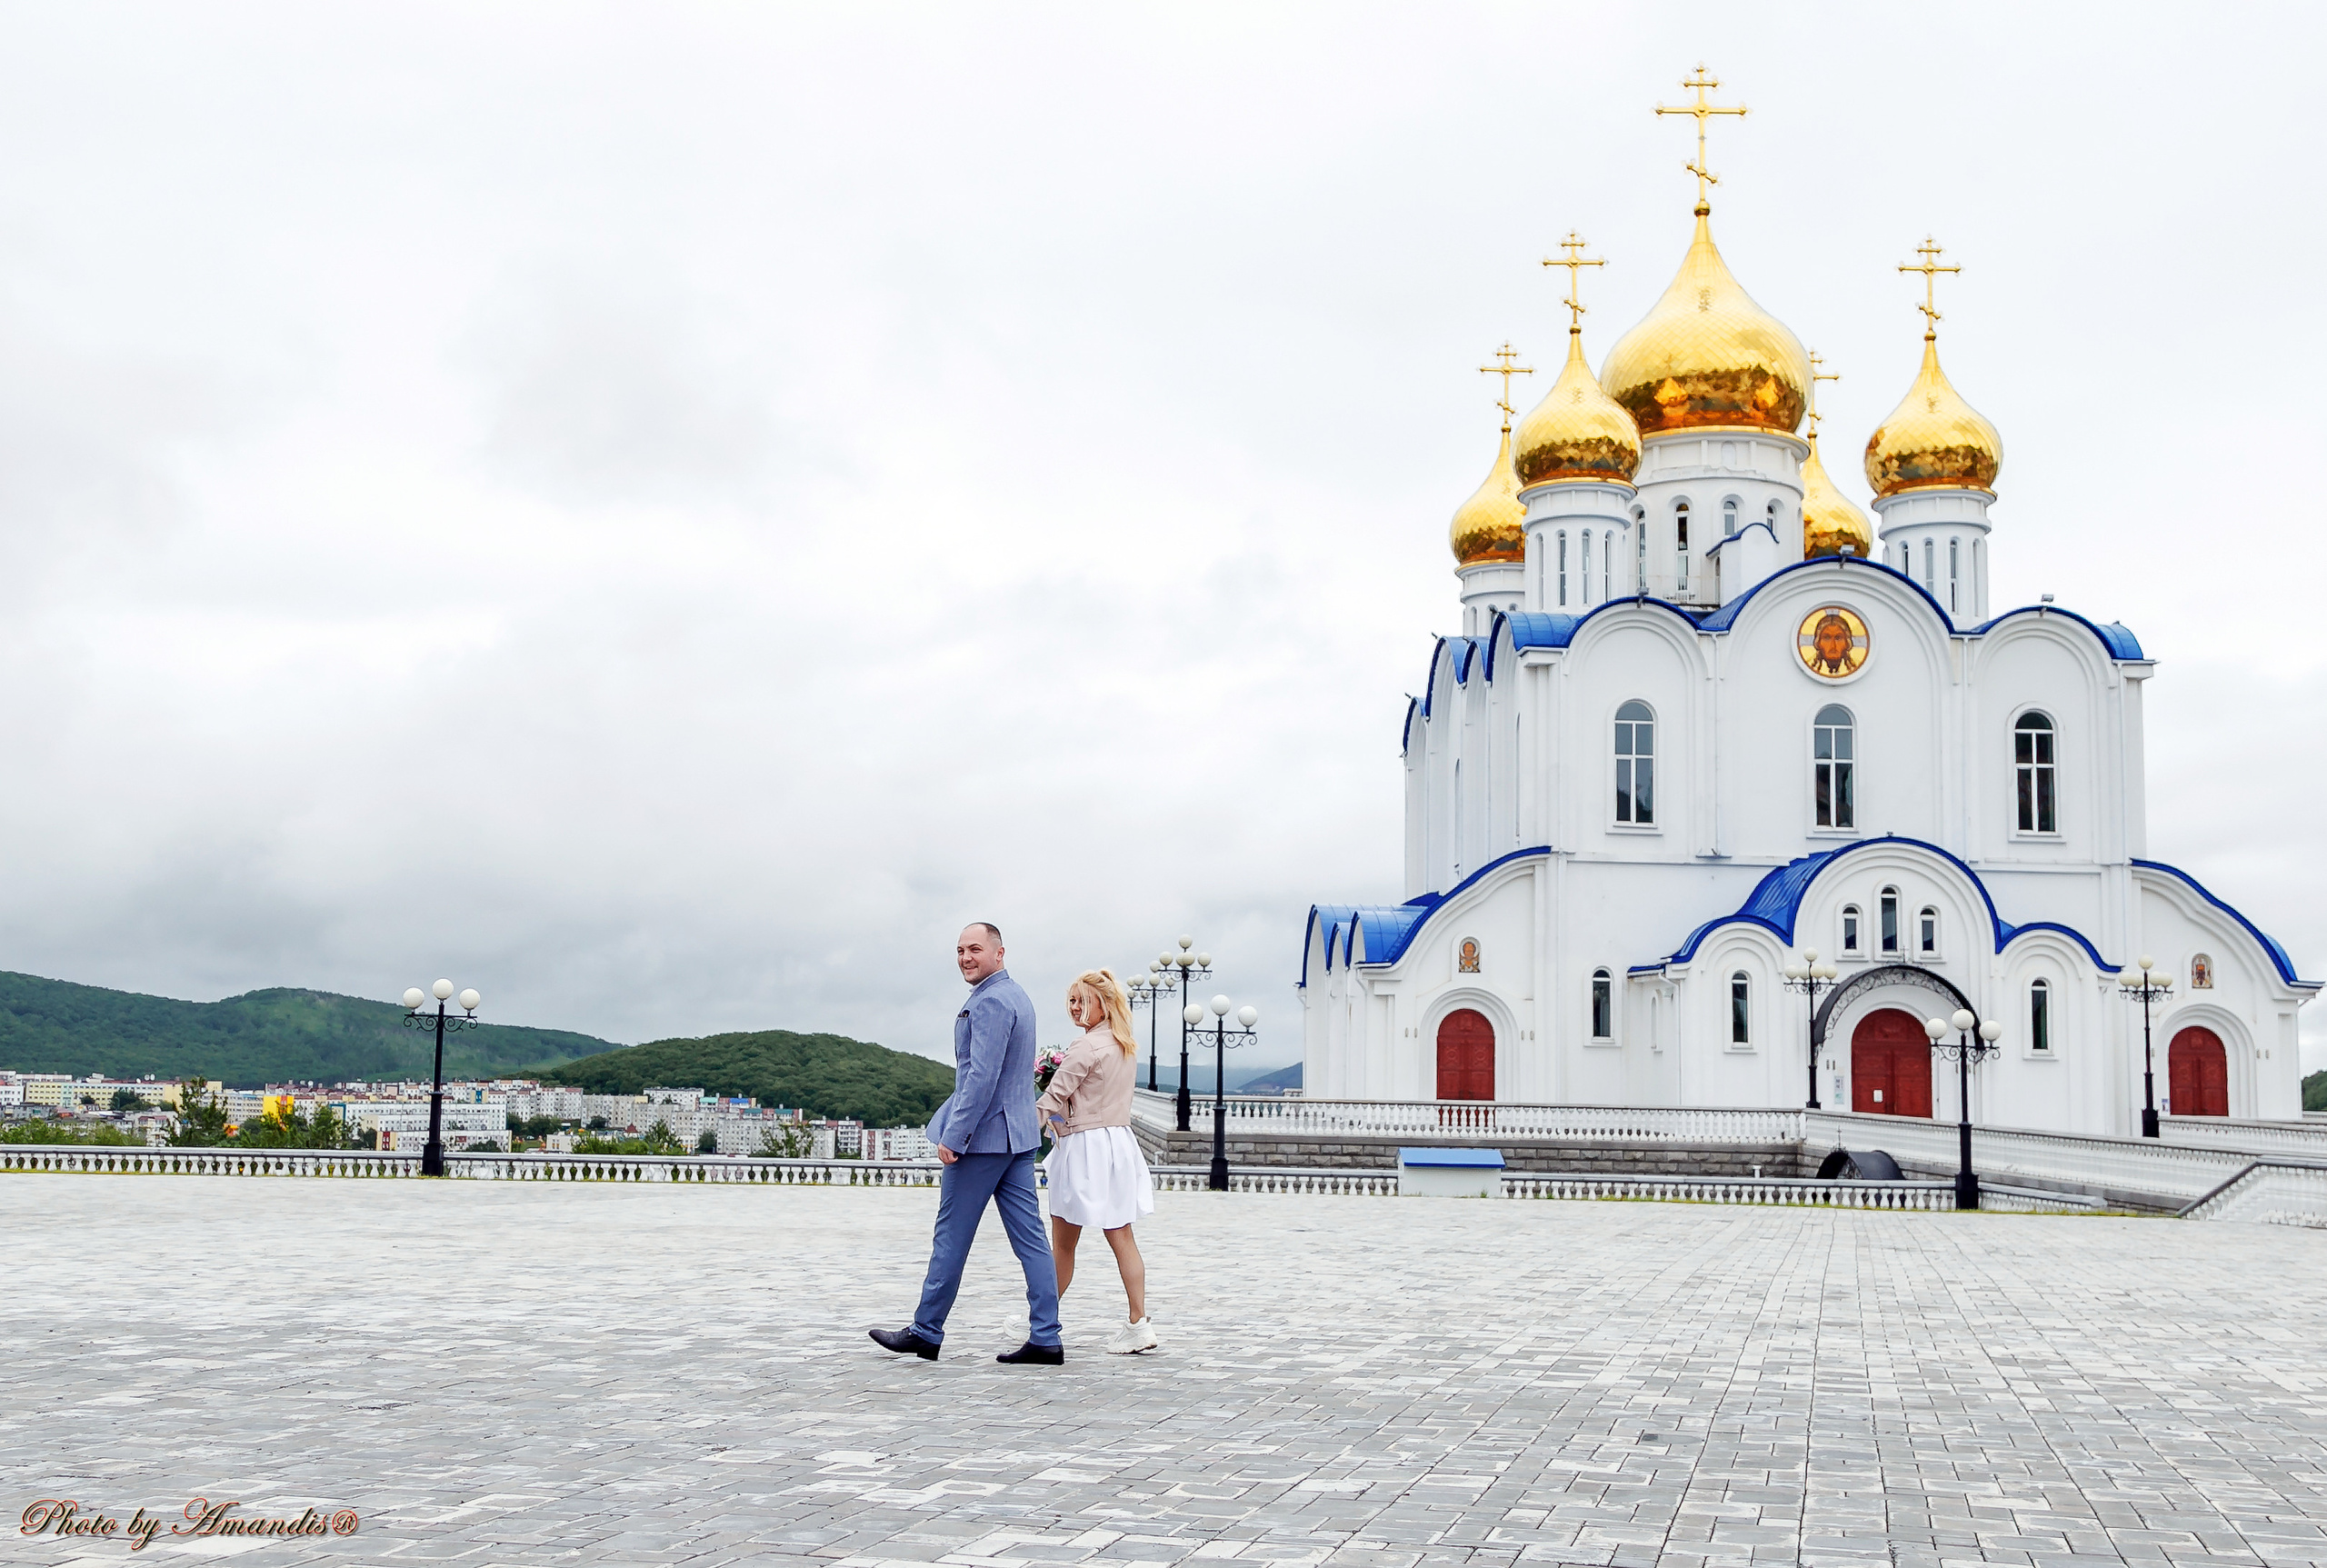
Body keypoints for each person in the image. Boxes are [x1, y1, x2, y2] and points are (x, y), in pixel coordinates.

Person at [869, 923, 1064, 1364]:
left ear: (999, 953)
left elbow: (980, 1076)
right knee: (1031, 1240)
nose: (965, 957)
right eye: (959, 950)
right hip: (1017, 1138)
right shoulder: (1018, 996)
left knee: (951, 1237)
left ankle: (926, 1330)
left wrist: (955, 1135)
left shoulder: (992, 1001)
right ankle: (1047, 1336)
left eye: (975, 949)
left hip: (984, 1140)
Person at [1038, 969, 1158, 1354]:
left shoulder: (1086, 1047)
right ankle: (1139, 1322)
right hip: (1119, 1145)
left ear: (1102, 1005)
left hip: (1084, 1149)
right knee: (1121, 1234)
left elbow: (1054, 1098)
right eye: (1071, 1000)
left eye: (1082, 1001)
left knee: (1063, 1243)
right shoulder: (1124, 1044)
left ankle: (1041, 1316)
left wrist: (1021, 1133)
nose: (1075, 1008)